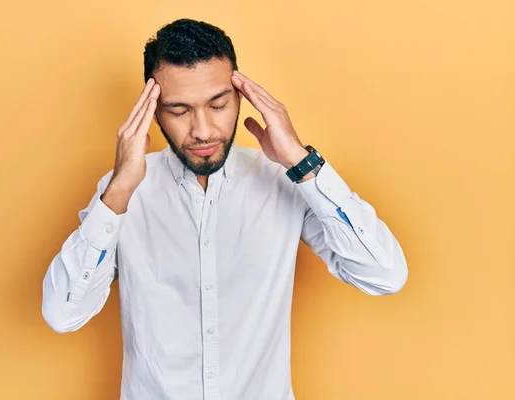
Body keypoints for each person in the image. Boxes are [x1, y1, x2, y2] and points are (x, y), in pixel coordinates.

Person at [42, 18, 408, 400]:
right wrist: (117, 192)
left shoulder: (284, 180)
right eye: (179, 111)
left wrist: (302, 164)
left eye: (218, 104)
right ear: (152, 111)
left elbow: (384, 275)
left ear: (240, 96)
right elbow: (63, 315)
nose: (202, 130)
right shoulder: (123, 194)